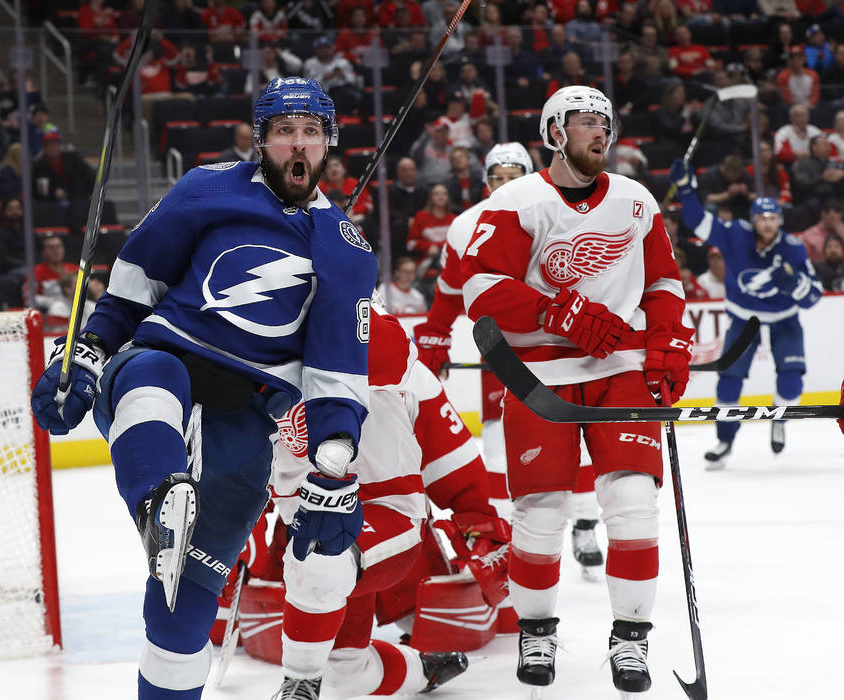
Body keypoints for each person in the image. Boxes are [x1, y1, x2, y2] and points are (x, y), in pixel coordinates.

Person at [29, 77, 377, 700]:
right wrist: (87, 353)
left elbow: (335, 371)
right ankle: (160, 497)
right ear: (260, 140)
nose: (297, 145)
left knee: (181, 607)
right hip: (167, 359)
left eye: (310, 132)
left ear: (329, 143)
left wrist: (333, 463)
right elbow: (137, 281)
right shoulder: (207, 188)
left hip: (246, 415)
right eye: (283, 133)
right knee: (150, 377)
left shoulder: (346, 250)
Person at [460, 86, 690, 696]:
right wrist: (560, 314)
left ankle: (631, 638)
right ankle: (537, 628)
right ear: (555, 131)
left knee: (635, 501)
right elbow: (480, 291)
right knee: (539, 516)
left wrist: (668, 340)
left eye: (606, 122)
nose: (601, 132)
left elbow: (664, 278)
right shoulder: (517, 201)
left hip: (621, 367)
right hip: (539, 377)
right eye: (588, 121)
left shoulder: (637, 201)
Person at [266, 307, 500, 699]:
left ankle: (298, 684)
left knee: (320, 557)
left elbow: (453, 460)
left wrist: (479, 522)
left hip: (387, 515)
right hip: (305, 524)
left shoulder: (372, 334)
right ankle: (423, 669)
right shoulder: (240, 342)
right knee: (346, 674)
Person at [412, 141, 607, 581]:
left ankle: (585, 523)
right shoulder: (465, 227)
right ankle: (501, 535)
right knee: (500, 443)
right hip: (502, 352)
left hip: (563, 347)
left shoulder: (558, 212)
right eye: (497, 177)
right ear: (486, 182)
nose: (505, 184)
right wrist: (434, 342)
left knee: (573, 431)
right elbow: (448, 295)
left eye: (514, 175)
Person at [670, 159, 822, 467]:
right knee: (729, 381)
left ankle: (779, 419)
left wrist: (793, 283)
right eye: (761, 218)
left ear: (780, 221)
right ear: (753, 220)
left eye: (772, 218)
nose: (767, 223)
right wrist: (686, 190)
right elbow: (698, 222)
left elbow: (813, 297)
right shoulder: (735, 234)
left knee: (792, 382)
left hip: (784, 320)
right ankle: (724, 440)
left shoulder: (793, 248)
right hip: (744, 319)